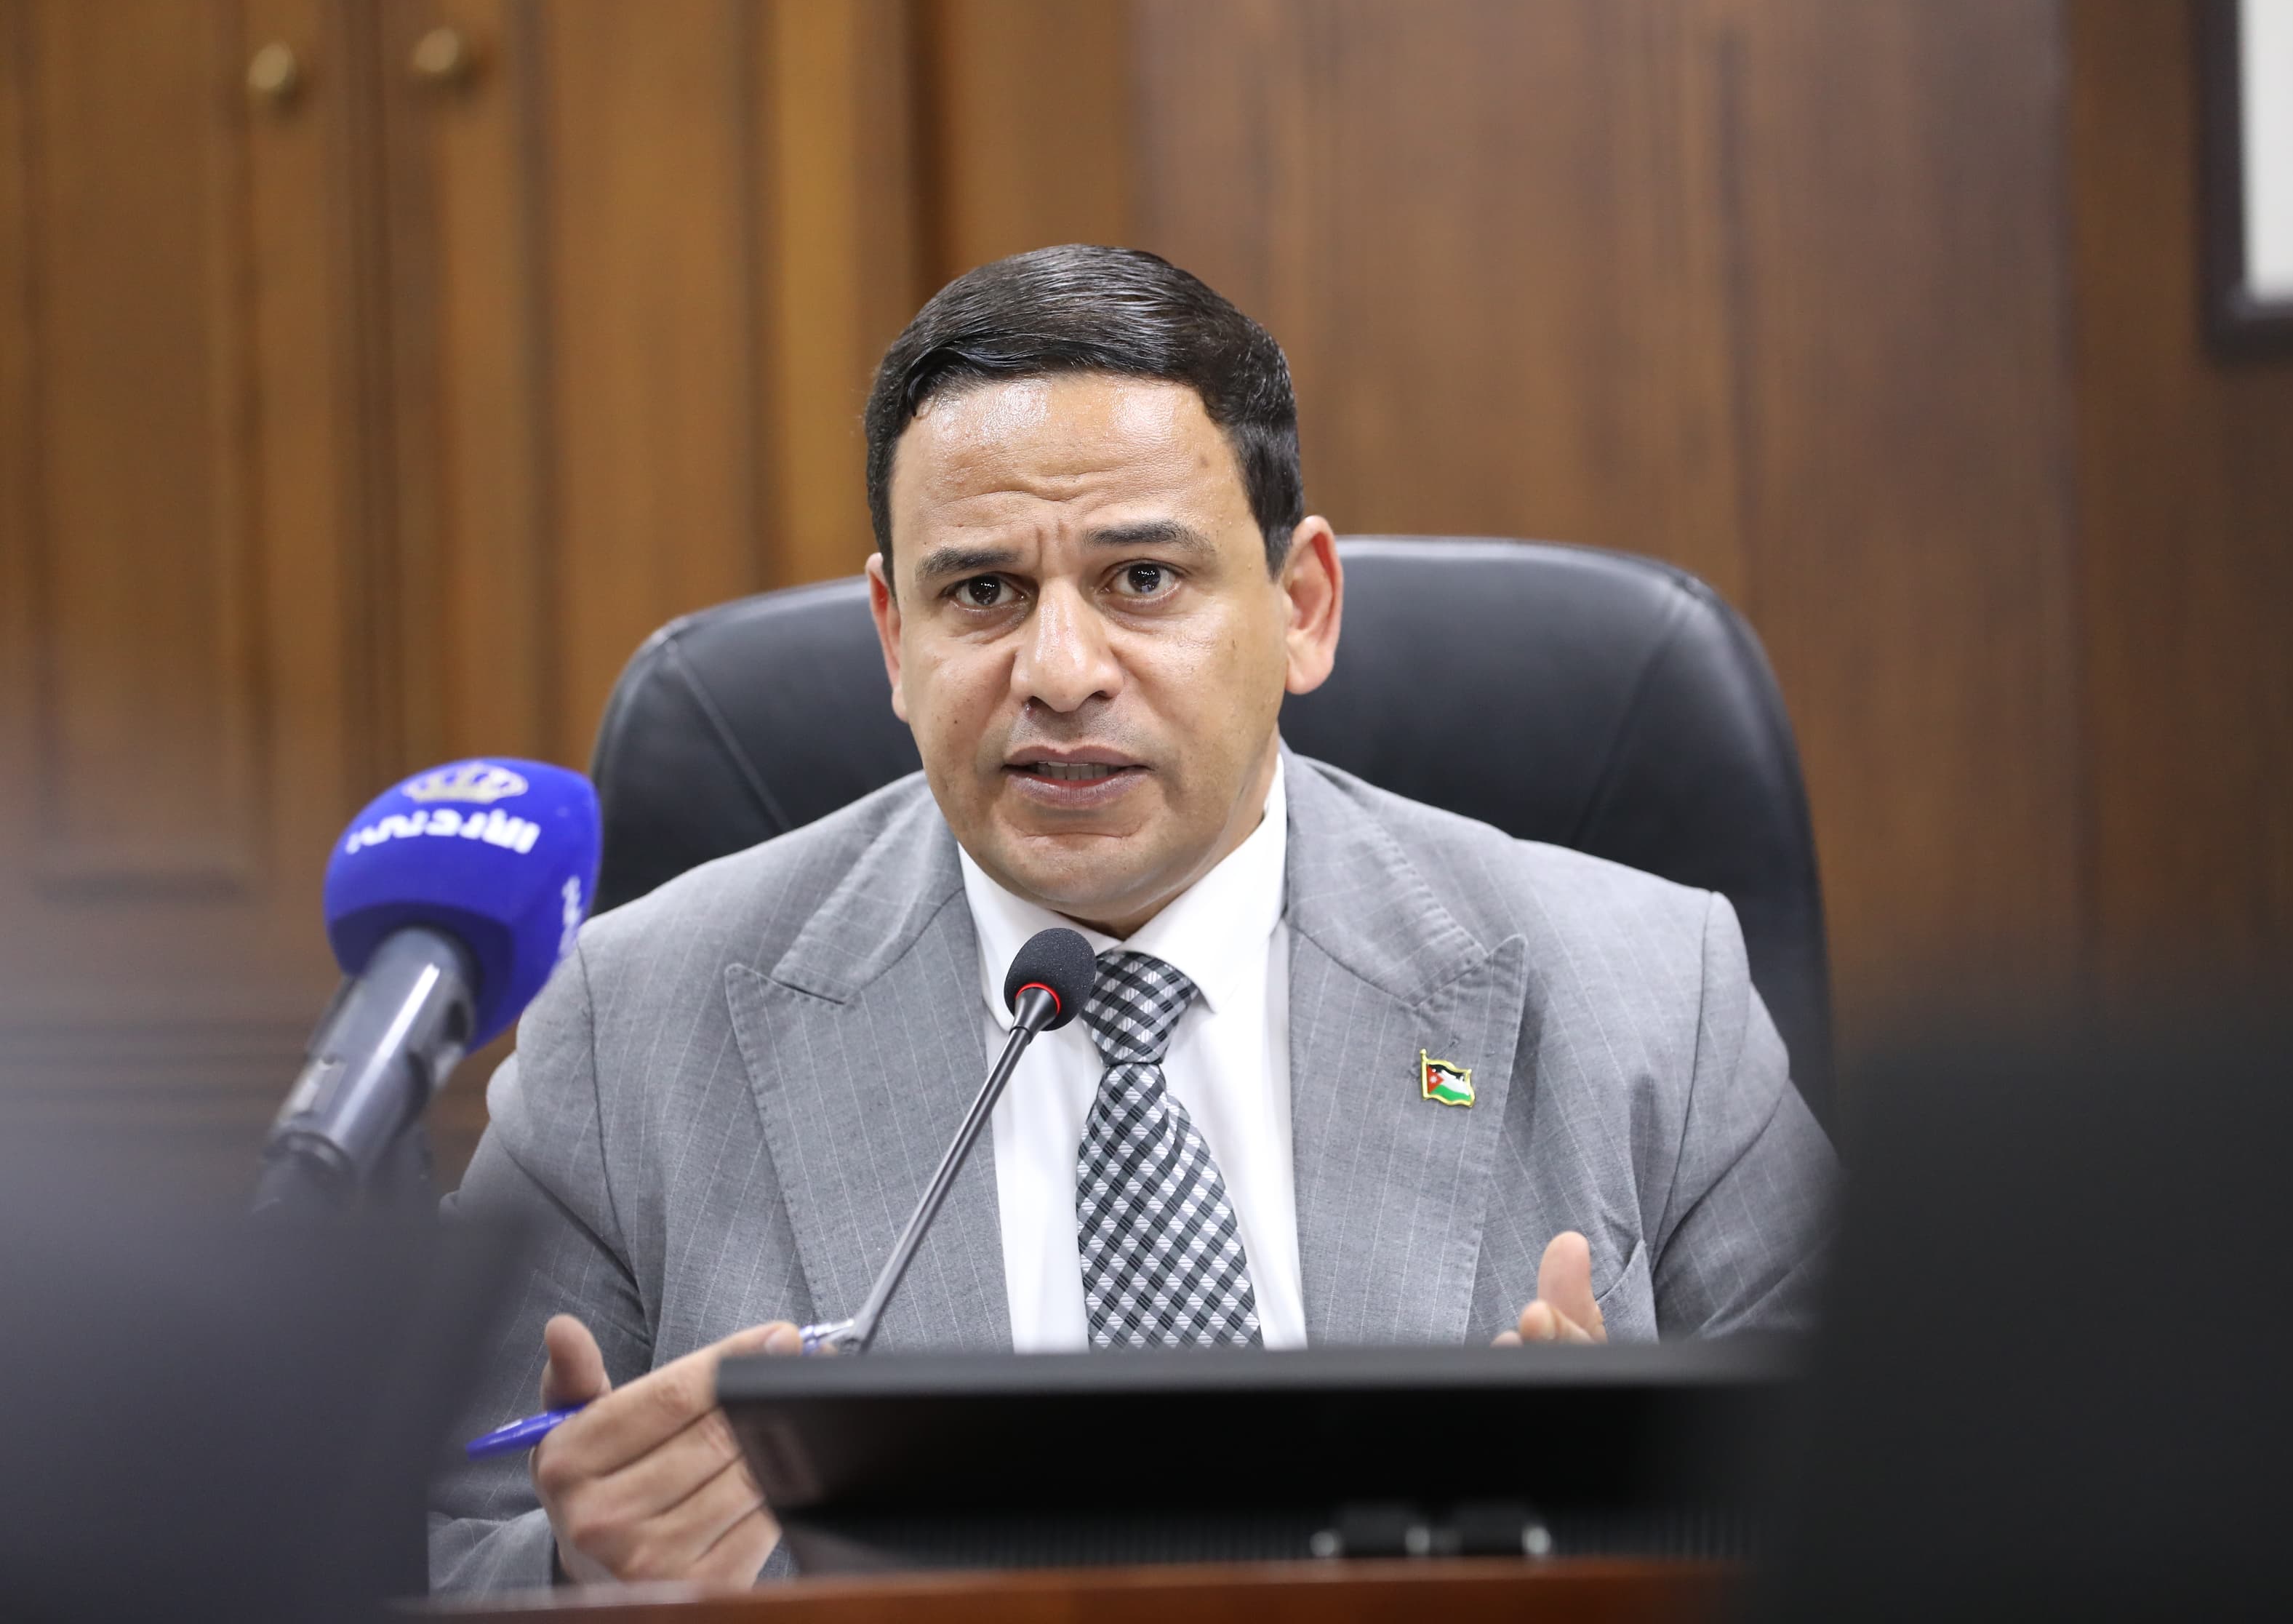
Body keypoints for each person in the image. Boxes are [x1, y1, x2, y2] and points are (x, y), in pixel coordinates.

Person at [428, 245, 1836, 1593]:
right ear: (895, 638)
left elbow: (1891, 1506)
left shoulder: (1653, 992)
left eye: (1142, 580)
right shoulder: (630, 1028)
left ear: (1301, 606)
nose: (1059, 669)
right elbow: (415, 1543)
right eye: (983, 591)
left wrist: (1638, 1516)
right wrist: (574, 1574)